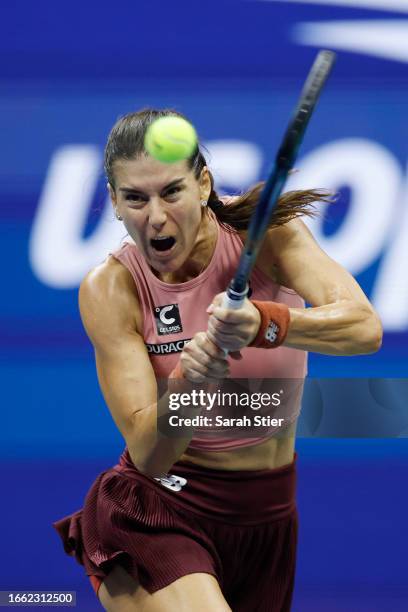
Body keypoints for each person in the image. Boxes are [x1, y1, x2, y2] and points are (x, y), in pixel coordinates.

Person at [53, 108, 382, 612]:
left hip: (267, 519)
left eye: (171, 192)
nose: (156, 217)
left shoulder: (270, 235)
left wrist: (265, 323)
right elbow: (150, 455)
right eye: (135, 198)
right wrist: (190, 381)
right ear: (115, 203)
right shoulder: (111, 287)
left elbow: (364, 329)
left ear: (203, 184)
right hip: (160, 510)